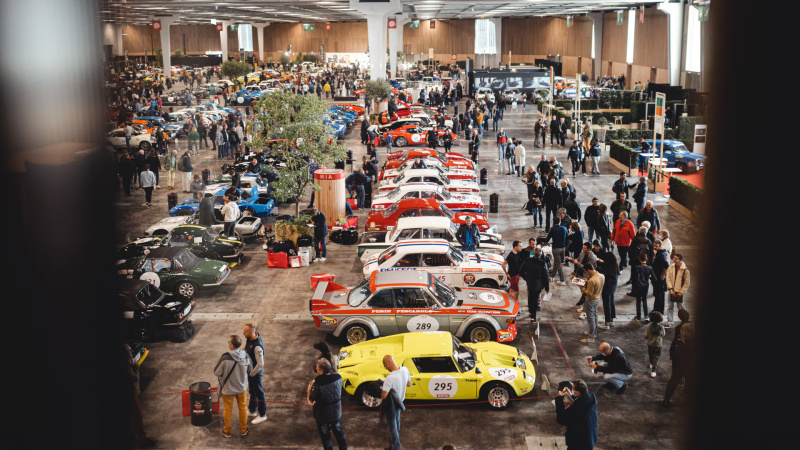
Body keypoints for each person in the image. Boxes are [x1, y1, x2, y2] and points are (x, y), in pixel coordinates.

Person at [214, 335, 254, 438]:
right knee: (243, 408)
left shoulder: (225, 358)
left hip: (228, 390)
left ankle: (227, 431)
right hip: (242, 389)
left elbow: (217, 372)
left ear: (231, 345)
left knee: (228, 410)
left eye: (228, 342)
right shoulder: (245, 356)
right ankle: (243, 429)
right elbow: (250, 369)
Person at [307, 359, 347, 450]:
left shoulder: (317, 384)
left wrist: (309, 390)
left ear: (321, 371)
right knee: (339, 432)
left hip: (323, 415)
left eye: (317, 369)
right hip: (336, 412)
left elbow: (310, 402)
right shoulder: (338, 377)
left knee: (326, 437)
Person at [125, 344, 157, 448]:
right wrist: (135, 366)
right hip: (131, 395)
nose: (132, 351)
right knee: (136, 415)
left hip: (132, 394)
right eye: (130, 351)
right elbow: (135, 378)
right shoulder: (127, 366)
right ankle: (141, 438)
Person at [555, 379, 598, 450]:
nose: (572, 391)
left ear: (578, 392)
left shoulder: (577, 407)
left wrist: (559, 398)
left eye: (573, 389)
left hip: (579, 442)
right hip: (591, 436)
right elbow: (580, 401)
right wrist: (570, 396)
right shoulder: (591, 397)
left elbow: (562, 418)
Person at [381, 355, 412, 450]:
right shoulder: (405, 369)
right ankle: (396, 438)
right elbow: (409, 384)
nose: (385, 368)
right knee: (397, 420)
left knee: (392, 426)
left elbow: (383, 396)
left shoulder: (389, 378)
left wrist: (383, 388)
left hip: (391, 405)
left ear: (387, 364)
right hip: (400, 401)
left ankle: (396, 447)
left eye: (384, 366)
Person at [662, 323, 695, 407]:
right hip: (690, 366)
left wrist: (673, 361)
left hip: (678, 366)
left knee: (673, 381)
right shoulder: (694, 342)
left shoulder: (678, 340)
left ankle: (666, 400)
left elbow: (672, 351)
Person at [243, 324, 268, 424]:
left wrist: (252, 374)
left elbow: (260, 363)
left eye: (245, 332)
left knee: (259, 393)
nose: (243, 333)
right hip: (251, 372)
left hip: (255, 374)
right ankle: (252, 410)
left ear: (251, 333)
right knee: (253, 391)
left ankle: (262, 414)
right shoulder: (250, 339)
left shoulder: (257, 346)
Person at [519, 246, 549, 324]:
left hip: (529, 282)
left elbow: (521, 271)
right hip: (538, 284)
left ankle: (530, 313)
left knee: (530, 297)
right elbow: (545, 276)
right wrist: (547, 287)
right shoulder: (542, 263)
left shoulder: (527, 260)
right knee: (535, 300)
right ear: (541, 255)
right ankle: (533, 317)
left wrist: (526, 278)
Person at [593, 240, 618, 329]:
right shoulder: (614, 268)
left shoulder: (607, 271)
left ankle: (606, 322)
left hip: (607, 285)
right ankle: (611, 320)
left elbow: (603, 273)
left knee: (606, 303)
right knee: (611, 301)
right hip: (613, 284)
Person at [578, 263, 604, 343]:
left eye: (586, 271)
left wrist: (581, 286)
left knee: (591, 319)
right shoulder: (601, 276)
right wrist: (588, 281)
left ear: (588, 270)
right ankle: (594, 332)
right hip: (597, 298)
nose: (586, 273)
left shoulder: (592, 281)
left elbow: (588, 293)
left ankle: (591, 337)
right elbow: (596, 285)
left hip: (590, 300)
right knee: (595, 316)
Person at [665, 253, 690, 326]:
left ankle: (685, 320)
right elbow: (668, 278)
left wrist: (681, 292)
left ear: (680, 260)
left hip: (679, 292)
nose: (674, 260)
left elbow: (687, 282)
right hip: (672, 291)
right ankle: (670, 322)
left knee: (680, 307)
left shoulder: (685, 270)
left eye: (676, 259)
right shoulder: (671, 267)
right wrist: (671, 289)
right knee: (670, 306)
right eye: (674, 258)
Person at [632, 253, 657, 322]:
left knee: (638, 301)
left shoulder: (637, 267)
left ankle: (638, 316)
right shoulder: (650, 268)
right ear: (646, 259)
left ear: (639, 259)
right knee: (644, 300)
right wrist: (649, 278)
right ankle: (646, 316)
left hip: (638, 285)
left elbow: (634, 278)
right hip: (646, 285)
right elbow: (654, 278)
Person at [545, 218, 568, 285]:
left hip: (556, 249)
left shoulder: (553, 229)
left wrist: (547, 242)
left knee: (558, 264)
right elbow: (567, 238)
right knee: (556, 262)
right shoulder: (564, 228)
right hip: (563, 248)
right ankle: (552, 276)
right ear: (560, 221)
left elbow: (547, 239)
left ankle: (562, 280)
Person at [651, 239, 670, 314]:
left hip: (659, 278)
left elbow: (666, 265)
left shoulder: (661, 255)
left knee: (658, 295)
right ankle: (658, 310)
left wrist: (662, 275)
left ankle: (657, 311)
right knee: (659, 295)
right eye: (654, 246)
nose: (654, 247)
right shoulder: (660, 252)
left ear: (660, 246)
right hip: (657, 277)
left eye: (656, 246)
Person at [645, 311, 665, 378]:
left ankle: (651, 363)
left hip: (650, 344)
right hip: (658, 344)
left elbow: (646, 335)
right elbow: (663, 334)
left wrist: (647, 337)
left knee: (650, 355)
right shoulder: (661, 327)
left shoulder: (649, 326)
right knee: (656, 357)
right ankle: (653, 371)